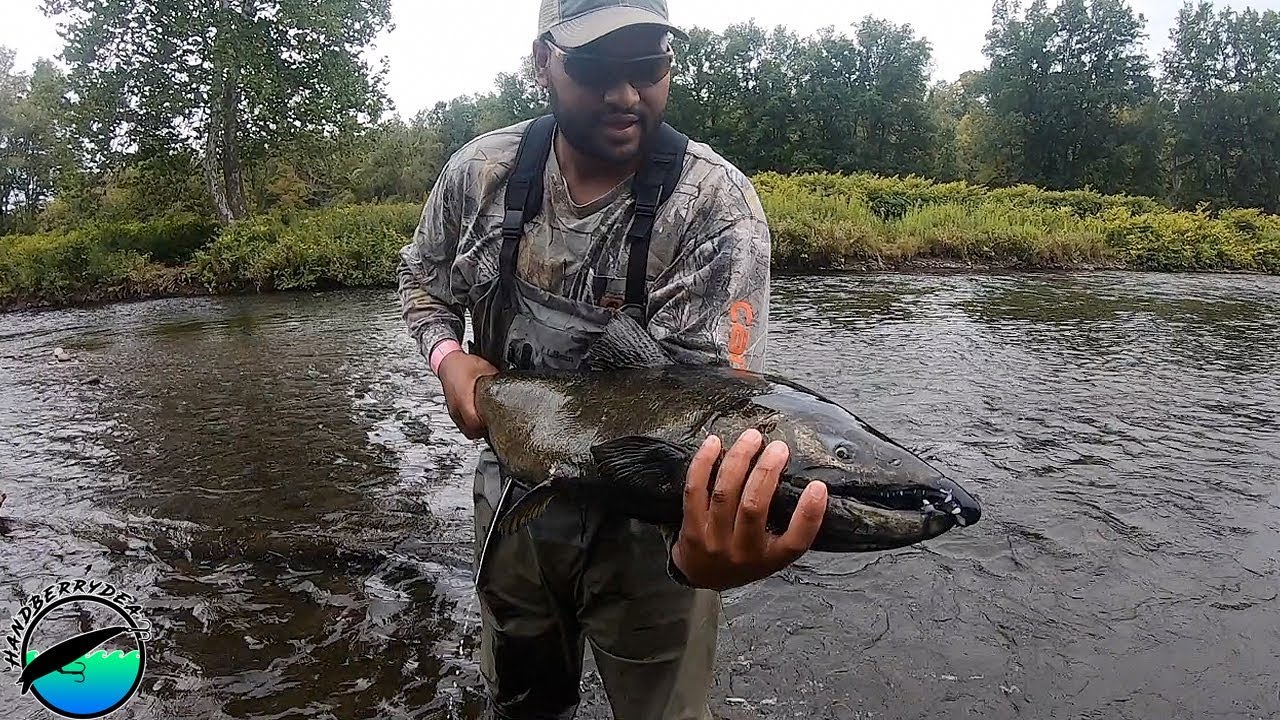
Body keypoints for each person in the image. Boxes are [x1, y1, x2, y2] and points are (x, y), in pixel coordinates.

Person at [395, 1, 828, 717]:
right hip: (514, 501)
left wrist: (700, 549)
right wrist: (448, 358)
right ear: (542, 65)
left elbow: (713, 416)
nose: (625, 94)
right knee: (523, 704)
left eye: (647, 66)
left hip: (655, 529)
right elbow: (420, 280)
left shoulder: (716, 208)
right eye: (596, 68)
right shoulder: (482, 173)